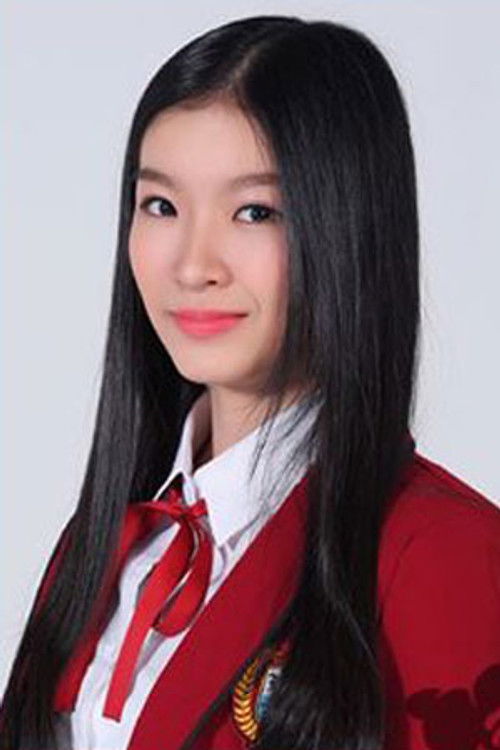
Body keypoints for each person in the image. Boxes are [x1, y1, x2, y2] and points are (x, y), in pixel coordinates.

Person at [1, 13, 499, 750]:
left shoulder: (446, 554)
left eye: (255, 212)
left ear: (347, 231)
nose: (192, 264)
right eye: (161, 205)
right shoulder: (110, 543)